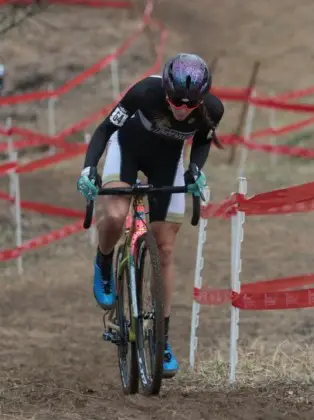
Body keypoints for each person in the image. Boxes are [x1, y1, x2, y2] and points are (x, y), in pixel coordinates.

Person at [76, 53, 224, 378]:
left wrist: (195, 170)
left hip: (166, 164)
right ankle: (104, 260)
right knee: (115, 216)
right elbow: (103, 130)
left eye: (190, 105)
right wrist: (89, 168)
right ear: (166, 90)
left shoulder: (212, 109)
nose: (182, 109)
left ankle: (161, 338)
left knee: (166, 248)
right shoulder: (144, 92)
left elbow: (201, 143)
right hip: (127, 151)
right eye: (175, 102)